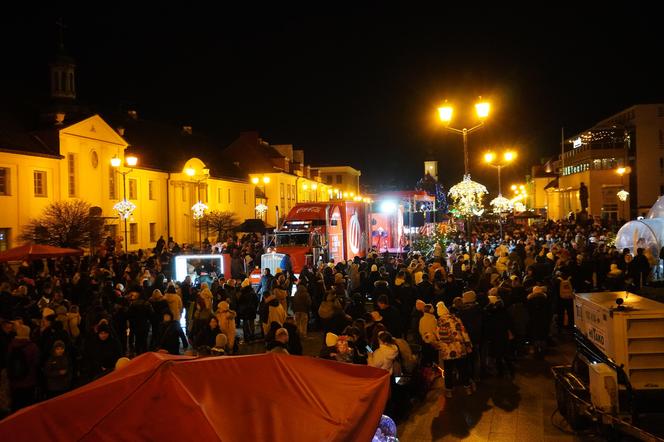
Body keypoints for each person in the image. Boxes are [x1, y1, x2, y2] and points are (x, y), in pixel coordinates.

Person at [435, 302, 473, 398]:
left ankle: (449, 390)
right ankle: (467, 387)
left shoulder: (438, 322)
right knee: (462, 369)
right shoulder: (456, 319)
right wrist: (468, 345)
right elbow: (464, 332)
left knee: (448, 371)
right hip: (459, 348)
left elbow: (438, 337)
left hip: (447, 351)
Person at [7, 324, 39, 411]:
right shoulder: (33, 346)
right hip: (29, 381)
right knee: (27, 406)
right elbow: (36, 363)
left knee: (16, 404)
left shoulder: (11, 345)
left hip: (14, 381)